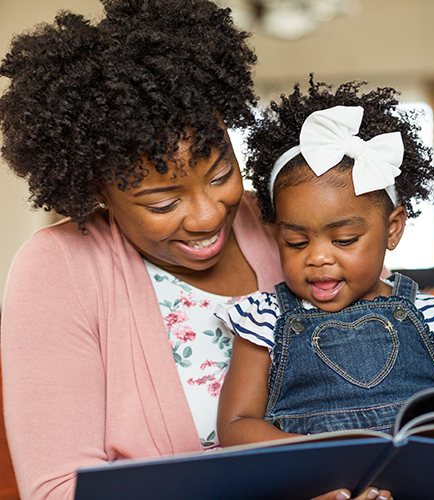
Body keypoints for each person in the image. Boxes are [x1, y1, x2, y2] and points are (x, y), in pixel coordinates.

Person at [0, 1, 389, 500]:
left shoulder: (291, 227)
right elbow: (57, 490)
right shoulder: (58, 268)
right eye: (162, 202)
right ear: (98, 188)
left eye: (221, 174)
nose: (208, 215)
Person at [216, 78, 434, 447]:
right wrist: (317, 459)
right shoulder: (264, 319)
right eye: (296, 241)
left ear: (393, 229)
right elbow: (236, 425)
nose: (317, 256)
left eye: (344, 240)